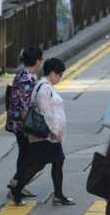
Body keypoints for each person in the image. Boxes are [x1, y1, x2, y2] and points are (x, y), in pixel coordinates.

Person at [9, 58, 75, 206]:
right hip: (46, 134)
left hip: (48, 134)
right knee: (37, 165)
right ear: (52, 74)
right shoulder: (44, 88)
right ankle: (17, 189)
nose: (60, 78)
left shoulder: (44, 86)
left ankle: (58, 194)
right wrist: (55, 131)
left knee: (57, 161)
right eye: (59, 75)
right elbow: (47, 113)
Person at [6, 46, 43, 198]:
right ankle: (16, 182)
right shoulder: (28, 78)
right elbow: (23, 104)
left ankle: (21, 185)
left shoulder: (21, 73)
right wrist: (28, 127)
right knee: (30, 154)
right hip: (22, 122)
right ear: (37, 61)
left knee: (24, 152)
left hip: (14, 120)